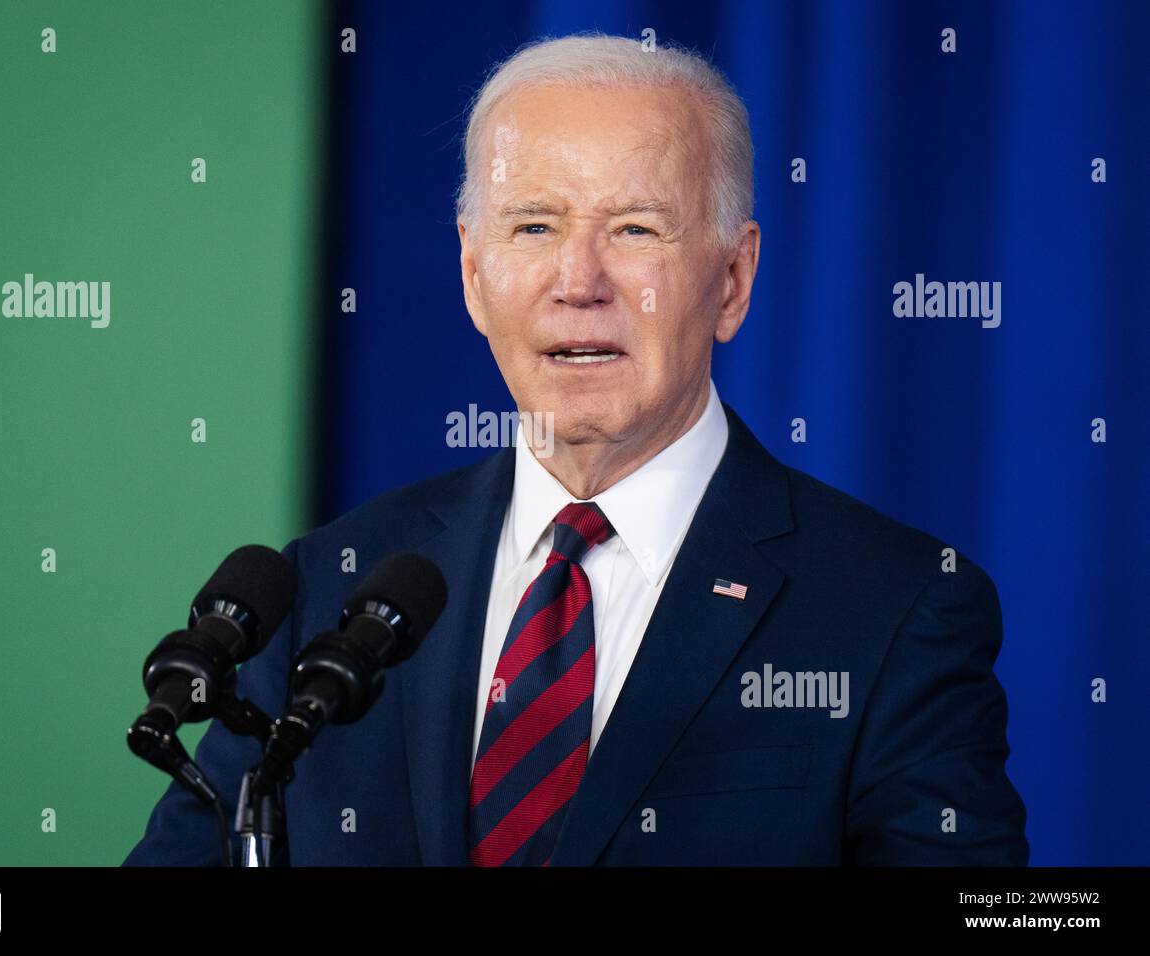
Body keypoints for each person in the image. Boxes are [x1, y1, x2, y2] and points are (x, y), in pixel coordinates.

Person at [124, 33, 1028, 866]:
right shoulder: (330, 587)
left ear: (733, 280)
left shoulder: (896, 609)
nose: (579, 282)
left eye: (636, 228)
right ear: (476, 279)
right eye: (535, 227)